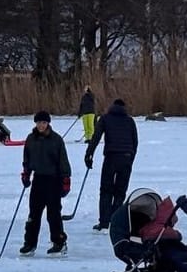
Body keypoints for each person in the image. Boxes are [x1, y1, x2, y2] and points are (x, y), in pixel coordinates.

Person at [18, 110, 72, 255]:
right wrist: (26, 174)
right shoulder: (31, 139)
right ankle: (29, 243)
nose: (41, 125)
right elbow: (27, 159)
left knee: (53, 214)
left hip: (54, 180)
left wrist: (66, 180)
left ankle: (59, 242)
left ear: (48, 123)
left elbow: (63, 161)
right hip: (38, 179)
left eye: (44, 122)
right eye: (39, 122)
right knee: (33, 214)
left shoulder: (56, 139)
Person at [85, 99, 139, 232]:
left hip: (111, 158)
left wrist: (89, 154)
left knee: (106, 190)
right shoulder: (130, 120)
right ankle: (115, 221)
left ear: (112, 106)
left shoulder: (105, 118)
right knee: (120, 192)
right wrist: (130, 159)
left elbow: (96, 137)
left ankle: (104, 222)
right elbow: (135, 142)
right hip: (126, 157)